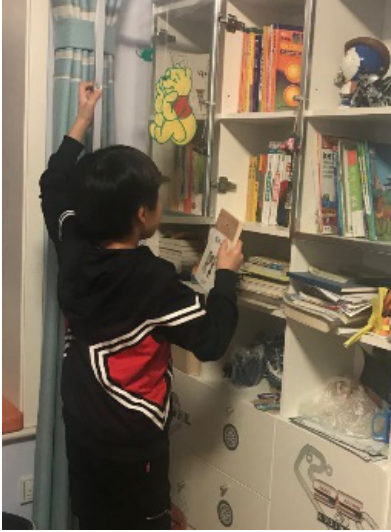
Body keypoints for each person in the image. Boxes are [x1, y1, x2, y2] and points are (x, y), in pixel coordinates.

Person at [40, 82, 244, 529]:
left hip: (81, 428)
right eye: (156, 198)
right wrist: (227, 275)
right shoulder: (151, 279)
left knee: (92, 520)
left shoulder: (72, 242)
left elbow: (52, 184)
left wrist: (81, 120)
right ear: (141, 214)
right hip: (133, 442)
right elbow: (211, 340)